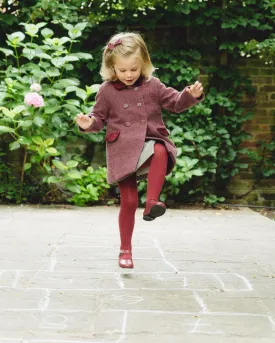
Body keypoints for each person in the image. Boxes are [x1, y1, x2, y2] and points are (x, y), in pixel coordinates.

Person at [75, 32, 204, 269]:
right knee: (129, 200)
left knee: (160, 147)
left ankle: (152, 202)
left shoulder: (152, 86)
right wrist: (88, 123)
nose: (128, 75)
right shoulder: (106, 90)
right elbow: (99, 117)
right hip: (122, 149)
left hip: (148, 142)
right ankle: (125, 250)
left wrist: (190, 95)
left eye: (134, 69)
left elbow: (175, 102)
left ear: (143, 63)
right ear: (112, 67)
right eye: (122, 70)